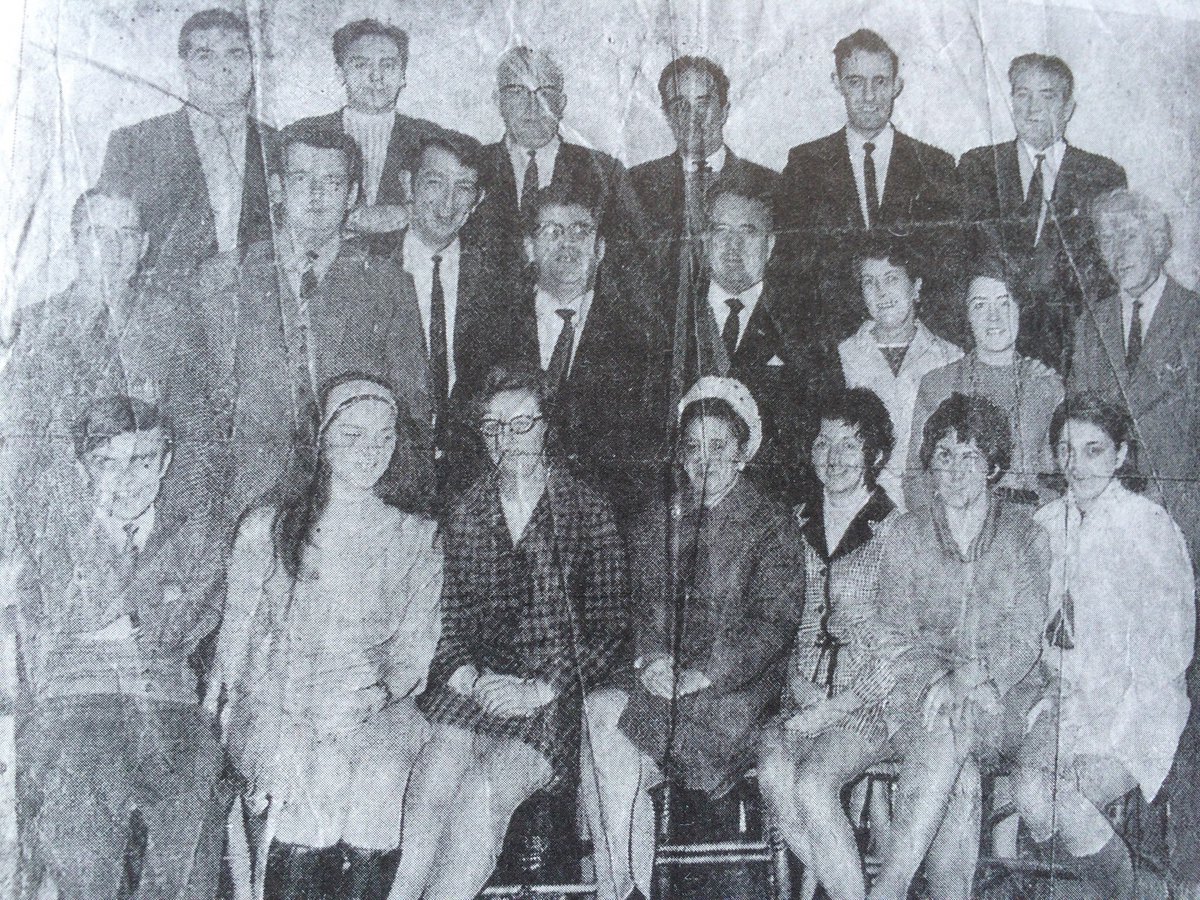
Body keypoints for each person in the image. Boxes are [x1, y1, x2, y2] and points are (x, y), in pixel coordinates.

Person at [387, 363, 628, 900]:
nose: (507, 439)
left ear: (547, 427)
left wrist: (537, 688)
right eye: (493, 426)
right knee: (429, 781)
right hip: (474, 693)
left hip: (554, 701)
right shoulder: (466, 510)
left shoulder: (587, 510)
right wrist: (471, 680)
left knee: (478, 796)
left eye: (522, 424)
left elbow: (611, 630)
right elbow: (444, 621)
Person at [210, 375, 442, 900]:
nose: (372, 451)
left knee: (378, 779)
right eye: (353, 436)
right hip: (277, 703)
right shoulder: (266, 527)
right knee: (305, 777)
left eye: (385, 436)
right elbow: (236, 646)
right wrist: (271, 714)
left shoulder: (416, 535)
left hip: (376, 706)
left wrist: (370, 700)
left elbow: (415, 651)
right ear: (319, 441)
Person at [581, 376, 804, 900]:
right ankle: (626, 887)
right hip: (665, 679)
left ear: (743, 452)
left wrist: (704, 673)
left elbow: (773, 622)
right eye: (693, 448)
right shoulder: (661, 517)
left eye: (719, 447)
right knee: (596, 714)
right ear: (680, 456)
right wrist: (653, 657)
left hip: (736, 690)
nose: (704, 461)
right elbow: (643, 602)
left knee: (610, 746)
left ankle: (622, 886)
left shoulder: (771, 524)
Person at [15, 396, 225, 899]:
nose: (126, 480)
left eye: (143, 462)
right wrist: (148, 615)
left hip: (170, 709)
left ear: (166, 463)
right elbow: (47, 621)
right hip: (77, 712)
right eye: (107, 463)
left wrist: (105, 625)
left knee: (191, 829)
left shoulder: (197, 537)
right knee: (82, 840)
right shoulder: (57, 540)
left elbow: (187, 629)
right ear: (83, 467)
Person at [1067, 189, 1200, 888]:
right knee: (1120, 699)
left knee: (1185, 700)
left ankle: (1190, 871)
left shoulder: (1195, 319)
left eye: (1132, 241)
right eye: (1108, 244)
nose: (1120, 256)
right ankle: (1134, 868)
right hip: (1114, 536)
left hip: (1187, 533)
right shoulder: (1090, 327)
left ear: (1162, 244)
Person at [200, 121, 431, 523]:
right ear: (277, 189)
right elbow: (203, 411)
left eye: (332, 181)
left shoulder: (388, 285)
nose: (316, 193)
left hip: (355, 503)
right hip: (247, 503)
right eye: (301, 177)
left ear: (352, 195)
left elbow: (413, 410)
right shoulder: (224, 277)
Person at [868, 393, 1050, 900]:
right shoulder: (905, 534)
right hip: (925, 698)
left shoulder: (1024, 535)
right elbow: (891, 631)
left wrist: (971, 679)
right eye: (944, 455)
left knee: (954, 733)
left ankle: (887, 888)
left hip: (1002, 698)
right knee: (959, 774)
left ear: (993, 465)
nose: (955, 469)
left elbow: (1024, 632)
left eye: (970, 456)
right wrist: (938, 679)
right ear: (929, 463)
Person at [1015, 394, 1194, 900]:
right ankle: (1136, 891)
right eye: (1066, 450)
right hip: (1060, 702)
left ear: (1120, 455)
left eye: (1094, 450)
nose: (1077, 465)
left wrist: (1105, 739)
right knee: (1032, 797)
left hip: (1136, 708)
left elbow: (1167, 653)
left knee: (1063, 801)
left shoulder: (1148, 525)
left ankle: (1132, 893)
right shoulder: (1046, 524)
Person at [0, 190, 212, 545]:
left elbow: (197, 438)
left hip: (144, 528)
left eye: (127, 235)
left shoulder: (171, 325)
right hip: (54, 530)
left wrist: (172, 530)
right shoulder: (33, 327)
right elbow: (16, 445)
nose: (113, 250)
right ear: (75, 243)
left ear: (144, 246)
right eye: (99, 234)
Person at [756, 387, 897, 900]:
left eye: (849, 445)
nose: (833, 457)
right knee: (773, 775)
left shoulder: (895, 530)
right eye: (822, 442)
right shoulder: (792, 525)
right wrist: (799, 686)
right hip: (802, 695)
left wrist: (833, 707)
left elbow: (899, 649)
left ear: (876, 455)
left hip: (872, 703)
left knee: (814, 786)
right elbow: (779, 626)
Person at [489, 183, 667, 523]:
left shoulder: (640, 336)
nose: (567, 243)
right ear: (529, 248)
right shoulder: (492, 328)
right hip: (508, 519)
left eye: (580, 231)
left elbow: (647, 453)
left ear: (600, 248)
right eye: (553, 231)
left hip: (605, 529)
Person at [773, 29, 959, 347]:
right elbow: (789, 274)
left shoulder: (934, 165)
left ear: (897, 85)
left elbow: (947, 270)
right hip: (829, 349)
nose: (869, 96)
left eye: (881, 81)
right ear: (838, 83)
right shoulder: (805, 165)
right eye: (856, 81)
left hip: (914, 347)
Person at [958, 53, 1127, 372]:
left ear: (1068, 108)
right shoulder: (977, 167)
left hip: (1071, 356)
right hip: (991, 354)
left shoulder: (1102, 176)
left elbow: (1104, 281)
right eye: (1022, 94)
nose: (1032, 109)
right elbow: (964, 265)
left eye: (1046, 96)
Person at [679, 183, 840, 503]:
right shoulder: (670, 319)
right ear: (703, 242)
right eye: (721, 230)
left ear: (770, 245)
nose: (732, 245)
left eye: (748, 232)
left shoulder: (804, 325)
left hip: (773, 511)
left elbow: (823, 427)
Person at [386, 132, 520, 497]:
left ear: (477, 200)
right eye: (434, 182)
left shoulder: (502, 276)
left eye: (463, 188)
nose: (448, 202)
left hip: (472, 479)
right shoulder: (366, 261)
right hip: (381, 468)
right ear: (407, 184)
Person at [98, 8, 277, 273]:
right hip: (164, 309)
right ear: (183, 67)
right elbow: (108, 248)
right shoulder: (133, 145)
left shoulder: (280, 145)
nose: (223, 68)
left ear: (253, 64)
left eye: (236, 54)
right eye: (205, 56)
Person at [464, 46, 649, 297]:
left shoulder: (606, 173)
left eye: (545, 92)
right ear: (498, 101)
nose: (533, 106)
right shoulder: (470, 167)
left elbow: (631, 265)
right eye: (517, 91)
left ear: (561, 103)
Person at [629, 56, 778, 329]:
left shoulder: (770, 185)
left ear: (724, 110)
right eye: (680, 105)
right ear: (666, 114)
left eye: (704, 103)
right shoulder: (636, 185)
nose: (693, 117)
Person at [904, 258, 1063, 509]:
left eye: (1004, 303)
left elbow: (1060, 482)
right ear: (967, 314)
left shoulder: (1047, 387)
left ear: (1021, 308)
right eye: (980, 306)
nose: (994, 318)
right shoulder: (937, 385)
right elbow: (915, 481)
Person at [291, 19, 452, 234]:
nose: (376, 77)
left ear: (403, 75)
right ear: (340, 73)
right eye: (361, 65)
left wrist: (407, 213)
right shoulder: (302, 134)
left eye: (388, 65)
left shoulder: (431, 139)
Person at [837, 235, 962, 510]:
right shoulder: (841, 358)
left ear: (916, 288)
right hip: (859, 507)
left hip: (932, 509)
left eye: (891, 279)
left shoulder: (951, 358)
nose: (881, 292)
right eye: (869, 282)